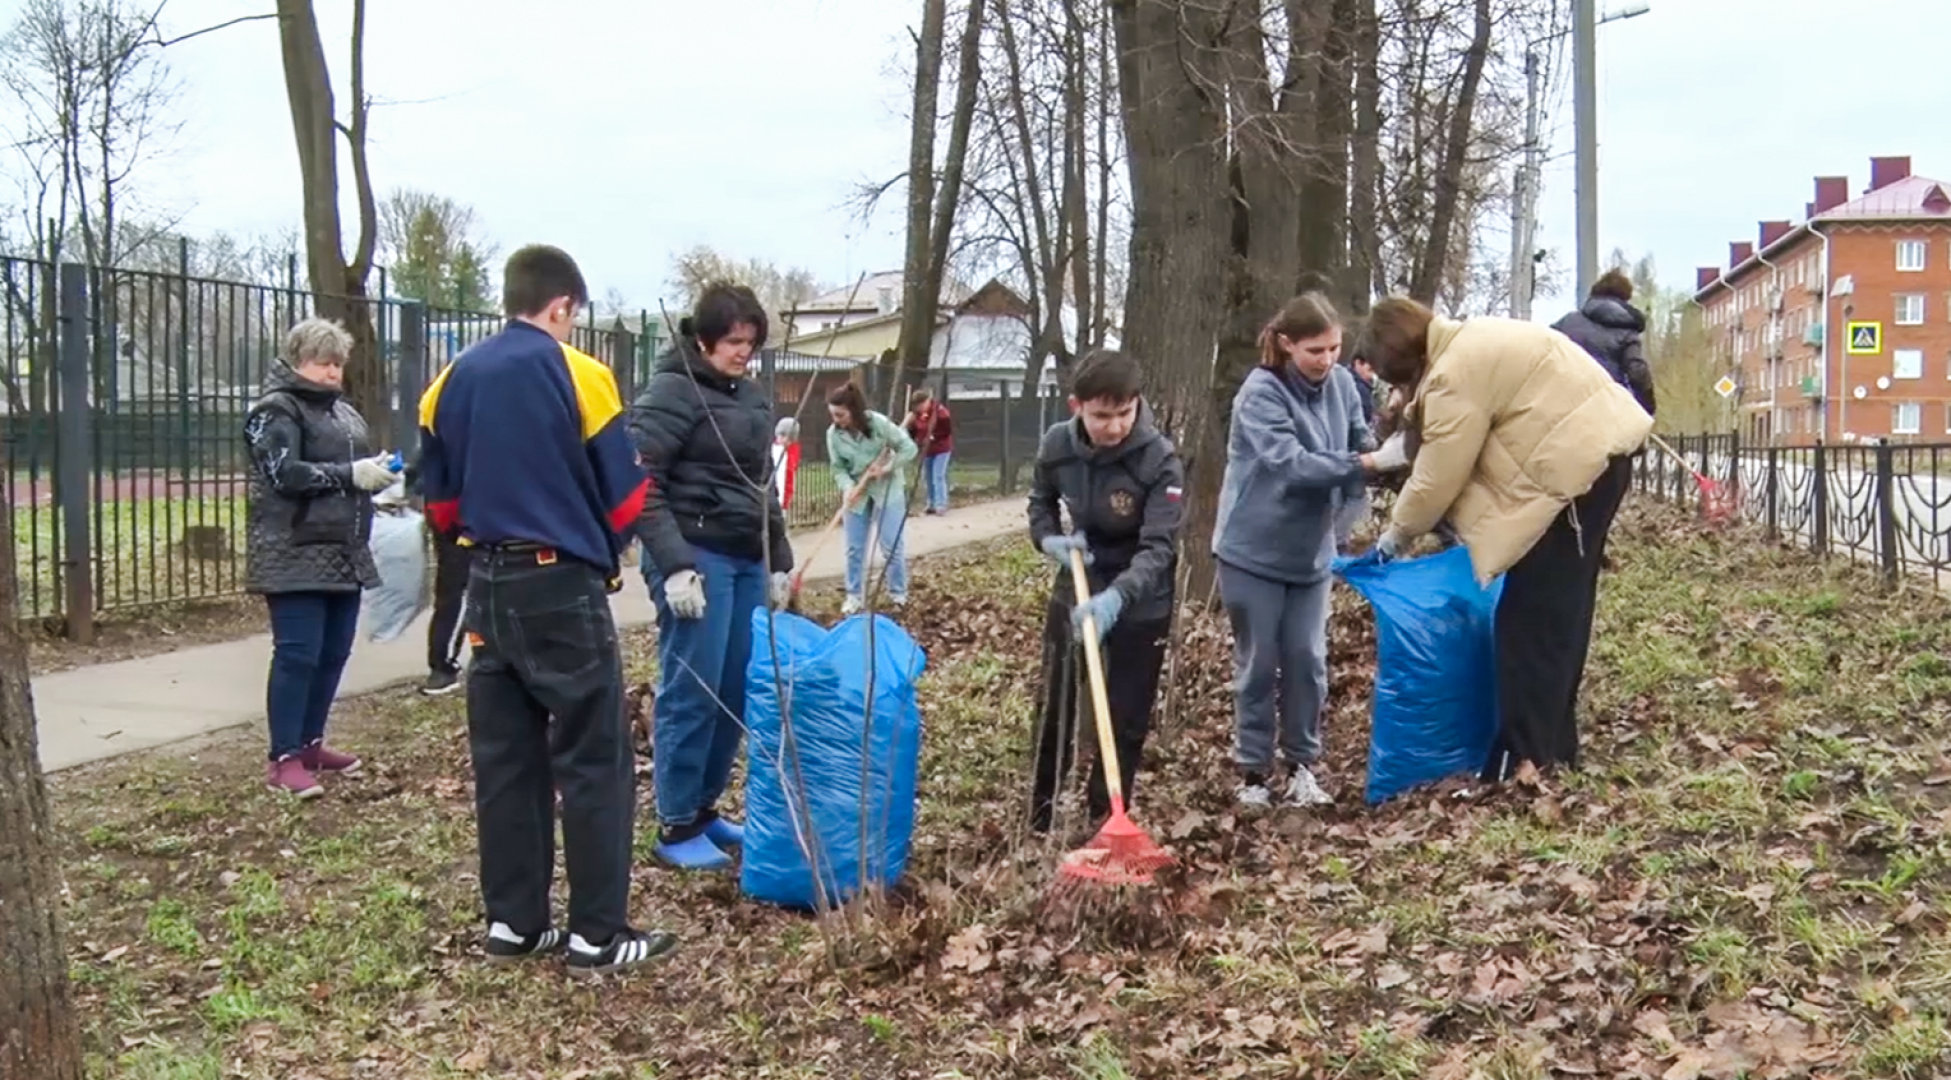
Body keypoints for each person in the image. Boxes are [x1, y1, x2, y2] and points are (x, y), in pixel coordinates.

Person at [417, 244, 677, 977]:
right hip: (557, 581)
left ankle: (514, 923)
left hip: (485, 581)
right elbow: (625, 495)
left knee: (506, 761)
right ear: (561, 305)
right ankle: (597, 933)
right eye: (573, 316)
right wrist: (602, 543)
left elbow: (438, 500)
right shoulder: (580, 374)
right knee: (594, 755)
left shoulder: (448, 382)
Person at [1364, 294, 1653, 784]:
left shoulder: (1454, 372)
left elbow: (1438, 476)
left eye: (1397, 380)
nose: (1400, 391)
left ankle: (1522, 756)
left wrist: (1395, 537)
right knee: (1562, 613)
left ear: (1407, 360)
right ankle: (1554, 747)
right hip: (1599, 464)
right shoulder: (1472, 339)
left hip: (1577, 479)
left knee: (1531, 620)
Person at [1212, 292, 1407, 809]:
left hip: (1310, 554)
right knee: (1259, 662)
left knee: (1306, 659)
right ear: (1285, 344)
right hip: (1251, 550)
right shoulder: (1261, 393)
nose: (1325, 360)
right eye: (1314, 350)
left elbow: (1359, 441)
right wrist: (1367, 464)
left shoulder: (1343, 384)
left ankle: (1302, 766)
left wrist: (1391, 438)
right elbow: (1291, 465)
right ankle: (1254, 773)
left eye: (1334, 348)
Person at [628, 283, 795, 872]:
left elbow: (762, 484)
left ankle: (703, 808)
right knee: (693, 687)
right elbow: (639, 483)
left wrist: (778, 557)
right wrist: (674, 564)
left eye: (750, 343)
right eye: (732, 342)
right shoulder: (671, 393)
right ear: (703, 339)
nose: (743, 353)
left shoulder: (750, 398)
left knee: (734, 691)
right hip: (695, 556)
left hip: (745, 554)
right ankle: (675, 823)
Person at [1025, 349, 1183, 835]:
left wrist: (1119, 597)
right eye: (1101, 416)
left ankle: (1106, 817)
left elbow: (1159, 548)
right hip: (1079, 576)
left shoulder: (1160, 461)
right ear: (1077, 406)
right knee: (1057, 703)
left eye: (1123, 414)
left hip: (1141, 594)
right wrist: (1048, 537)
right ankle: (1039, 815)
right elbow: (1040, 501)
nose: (1114, 426)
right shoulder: (1057, 445)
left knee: (1126, 712)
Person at [244, 317, 398, 799]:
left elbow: (353, 471)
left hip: (343, 550)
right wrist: (352, 475)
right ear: (297, 360)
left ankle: (311, 744)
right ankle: (283, 757)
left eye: (338, 364)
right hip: (293, 548)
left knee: (333, 653)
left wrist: (382, 476)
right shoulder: (275, 410)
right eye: (323, 363)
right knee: (297, 655)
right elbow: (284, 473)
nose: (333, 373)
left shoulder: (343, 413)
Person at [825, 381, 918, 615]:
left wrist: (886, 468)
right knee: (854, 548)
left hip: (887, 490)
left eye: (840, 414)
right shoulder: (833, 435)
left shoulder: (879, 424)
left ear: (853, 410)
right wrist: (847, 487)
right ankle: (854, 596)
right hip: (858, 494)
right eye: (833, 415)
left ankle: (898, 594)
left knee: (891, 546)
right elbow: (838, 468)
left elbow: (909, 448)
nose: (836, 419)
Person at [400, 449, 469, 695]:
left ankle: (443, 664)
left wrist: (407, 480)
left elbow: (430, 449)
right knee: (462, 590)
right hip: (461, 512)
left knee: (453, 591)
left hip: (445, 508)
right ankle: (443, 665)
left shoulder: (441, 412)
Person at [1551, 267, 1657, 419]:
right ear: (1625, 298)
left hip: (1566, 405)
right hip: (1606, 407)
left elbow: (1546, 354)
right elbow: (1636, 371)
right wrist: (1647, 406)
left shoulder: (1566, 322)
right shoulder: (1626, 330)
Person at [904, 387, 955, 515]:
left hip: (942, 449)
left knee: (938, 475)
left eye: (922, 404)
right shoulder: (916, 415)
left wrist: (932, 437)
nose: (920, 407)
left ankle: (941, 504)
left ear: (928, 401)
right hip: (926, 450)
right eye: (917, 405)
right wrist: (912, 434)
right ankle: (931, 503)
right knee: (927, 476)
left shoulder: (940, 413)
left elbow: (946, 431)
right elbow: (914, 432)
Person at [771, 417, 802, 512]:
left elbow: (790, 474)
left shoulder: (792, 452)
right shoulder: (774, 450)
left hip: (784, 496)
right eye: (779, 435)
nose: (780, 439)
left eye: (784, 436)